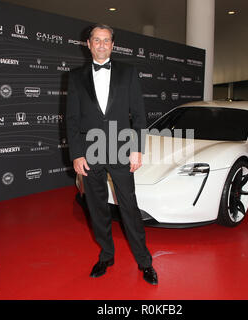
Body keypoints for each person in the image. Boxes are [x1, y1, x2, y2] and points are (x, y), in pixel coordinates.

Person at [66, 24, 157, 285]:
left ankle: (145, 261)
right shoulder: (75, 77)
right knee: (97, 209)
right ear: (88, 44)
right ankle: (106, 255)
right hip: (89, 153)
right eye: (97, 40)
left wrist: (138, 149)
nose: (102, 44)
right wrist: (76, 154)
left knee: (129, 207)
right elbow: (71, 119)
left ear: (112, 45)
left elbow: (139, 115)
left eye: (106, 40)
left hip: (120, 149)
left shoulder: (128, 73)